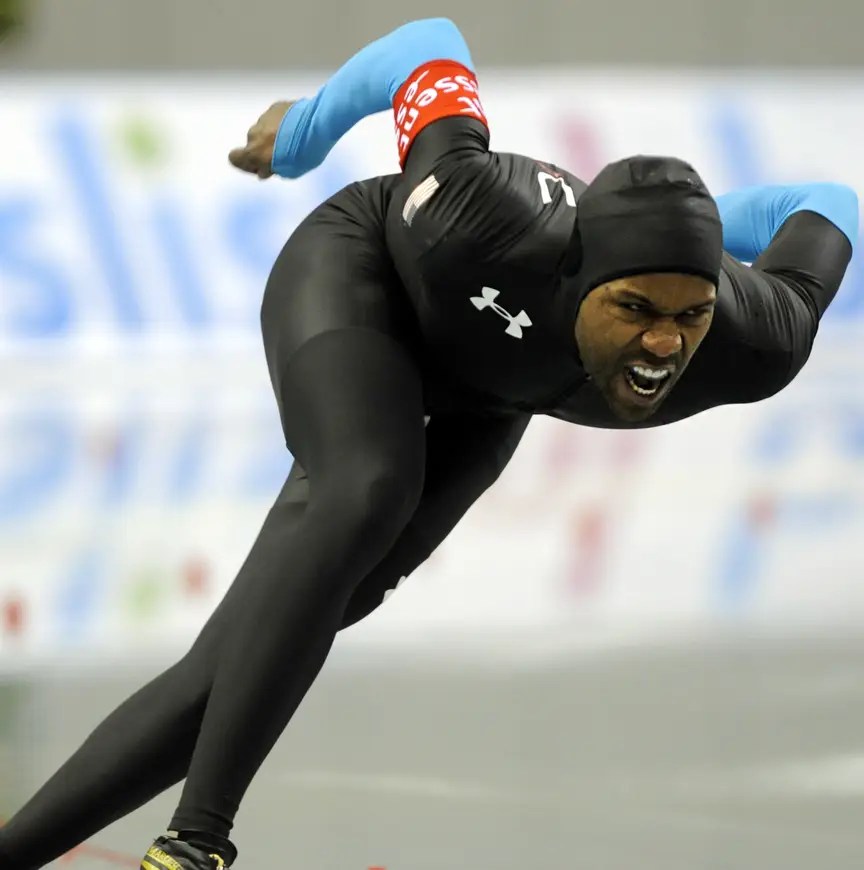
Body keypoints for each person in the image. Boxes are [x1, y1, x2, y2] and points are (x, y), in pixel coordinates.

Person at [0, 16, 858, 870]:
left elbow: (831, 201)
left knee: (273, 639)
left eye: (690, 314)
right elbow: (429, 44)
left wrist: (681, 226)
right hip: (365, 277)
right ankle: (197, 839)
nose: (664, 344)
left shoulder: (759, 339)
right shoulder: (476, 209)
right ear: (578, 271)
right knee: (367, 490)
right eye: (635, 308)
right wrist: (301, 135)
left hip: (494, 393)